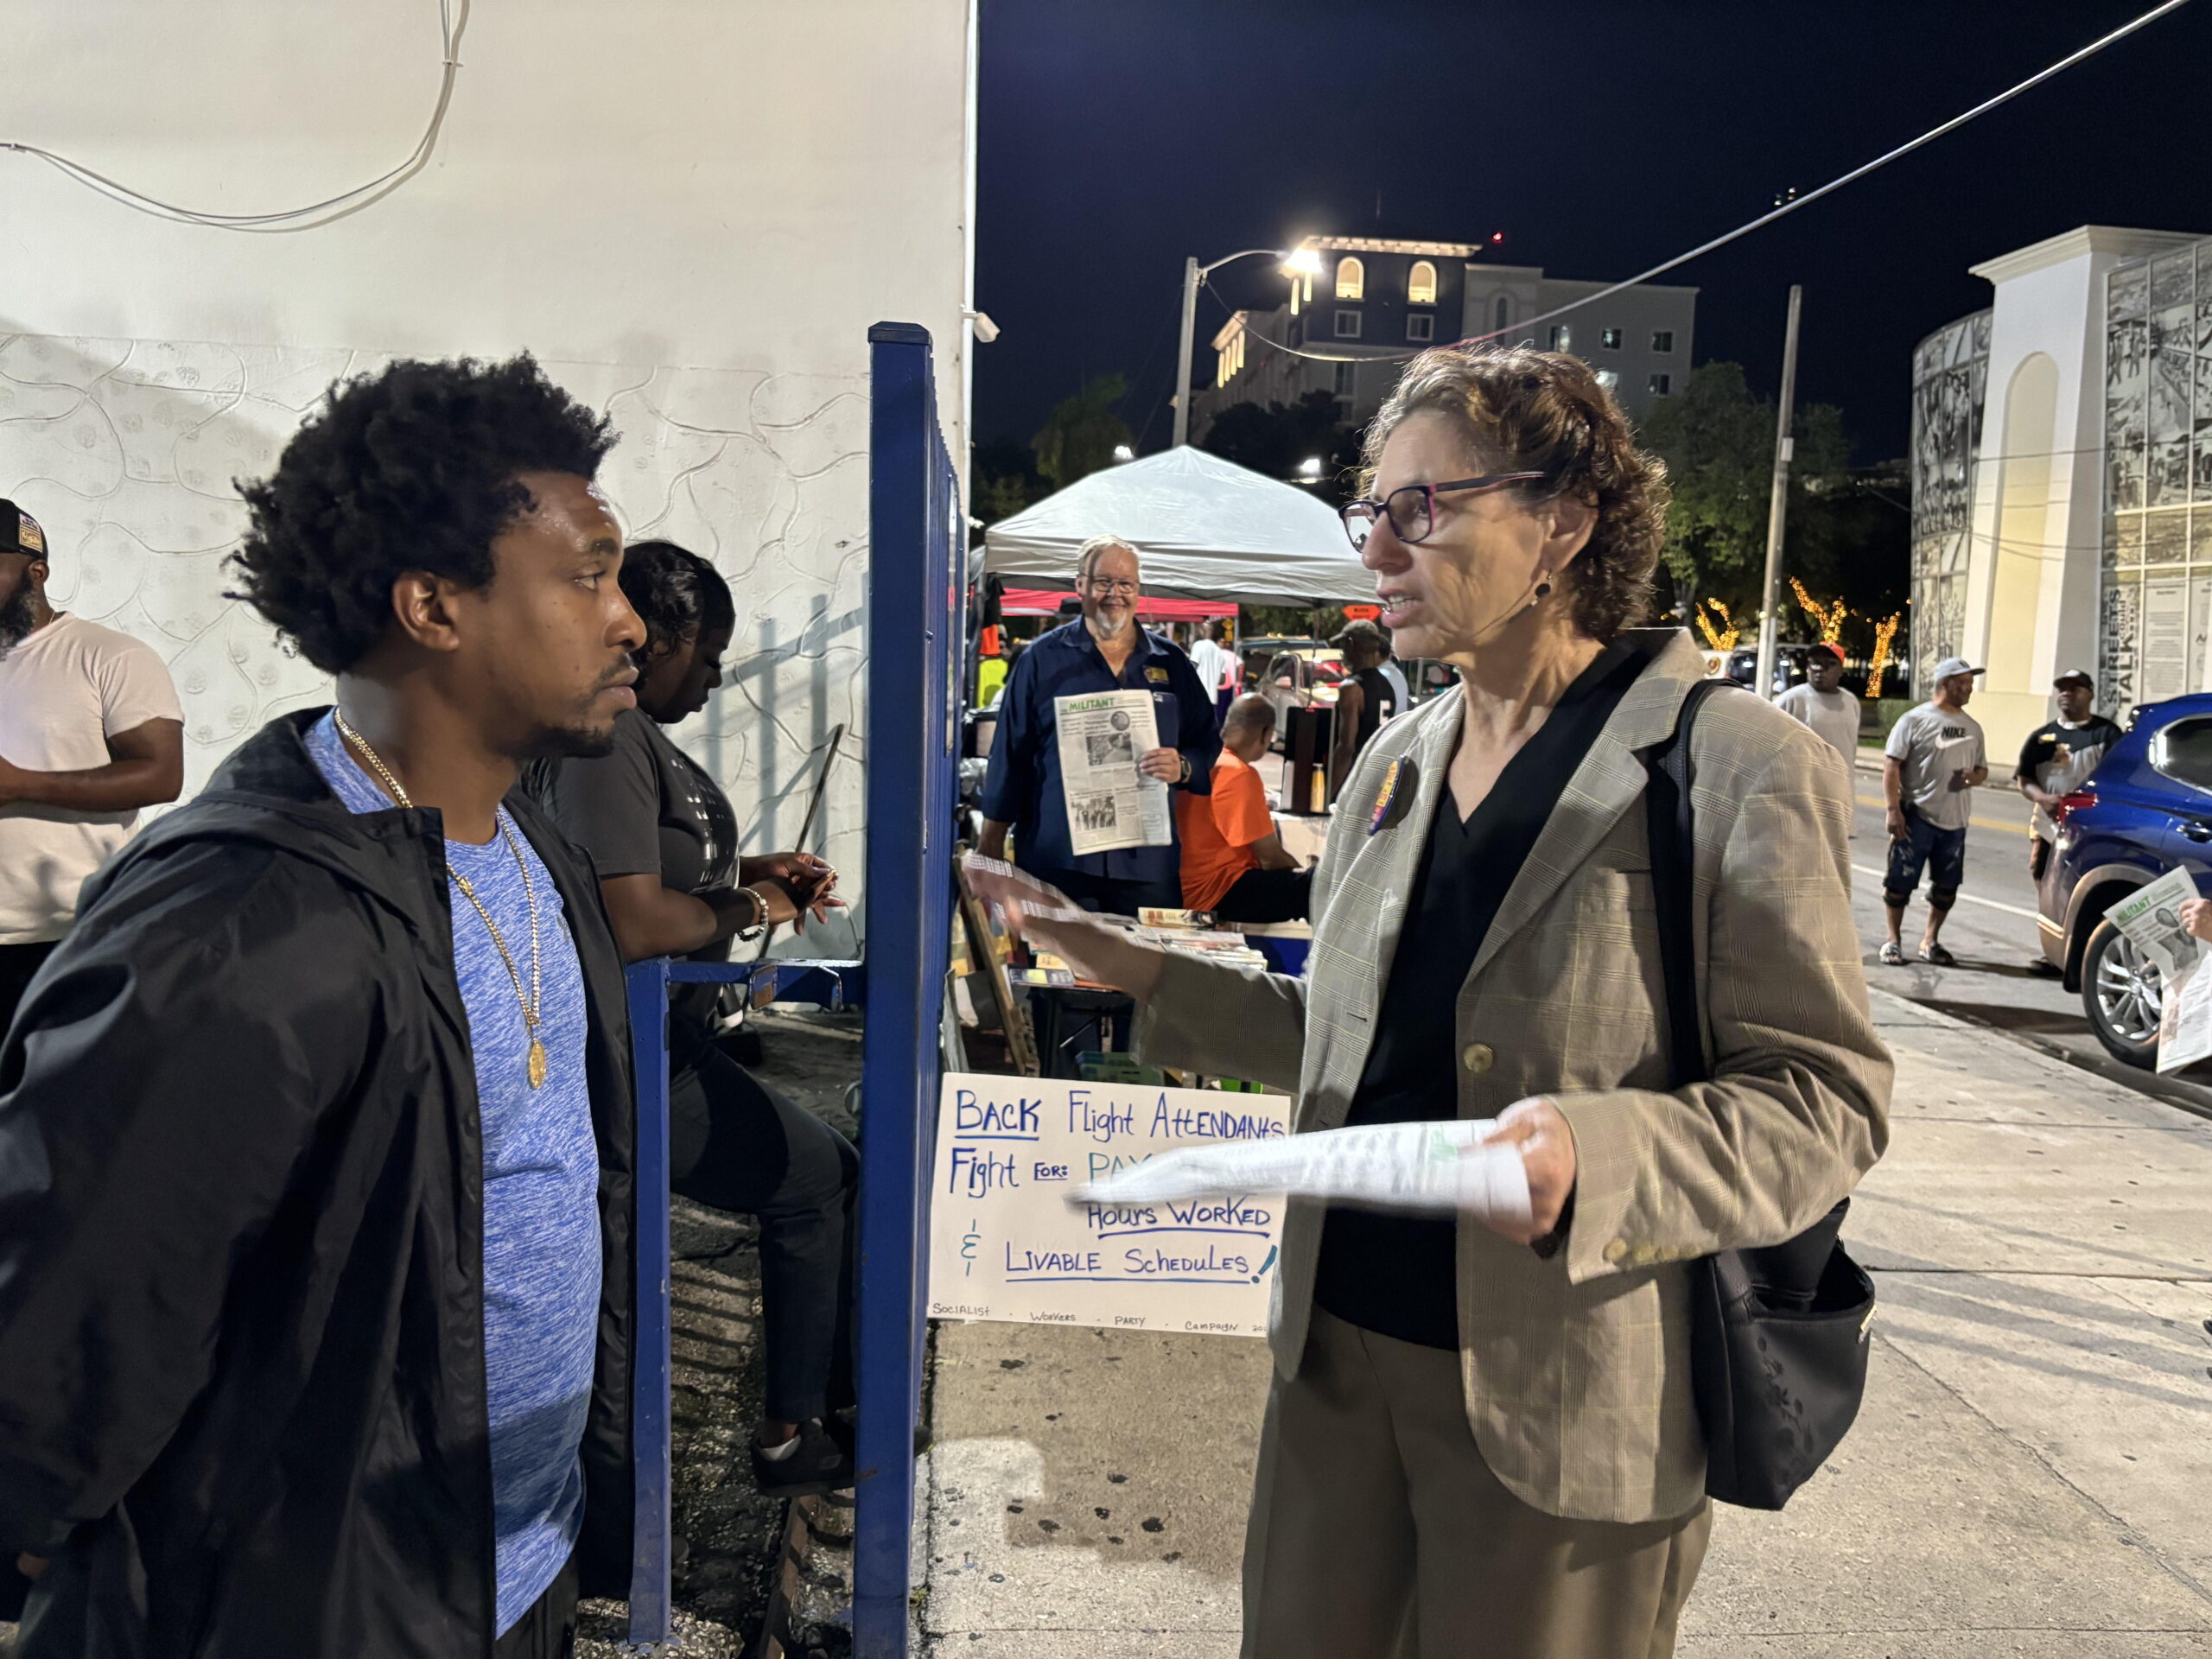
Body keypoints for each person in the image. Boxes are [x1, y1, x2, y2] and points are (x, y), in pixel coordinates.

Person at [976, 346, 1890, 1659]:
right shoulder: (1397, 765)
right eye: (1372, 513)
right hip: (1336, 1369)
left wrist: (1600, 1153)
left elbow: (1826, 1102)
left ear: (1563, 525)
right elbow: (1338, 1047)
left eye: (1425, 508)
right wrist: (1129, 968)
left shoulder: (1733, 766)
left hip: (1563, 1399)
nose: (1380, 552)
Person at [0, 355, 652, 1657]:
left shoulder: (536, 857)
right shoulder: (242, 928)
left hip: (515, 1569)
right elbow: (63, 1339)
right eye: (589, 574)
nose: (628, 617)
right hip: (309, 1607)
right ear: (433, 607)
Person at [531, 539, 859, 1495]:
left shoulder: (637, 735)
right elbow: (629, 918)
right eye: (706, 657)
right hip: (622, 1057)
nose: (714, 679)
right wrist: (757, 909)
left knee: (827, 1172)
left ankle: (815, 1407)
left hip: (659, 1042)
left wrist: (748, 874)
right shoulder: (608, 742)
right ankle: (791, 1434)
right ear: (658, 638)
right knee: (812, 1180)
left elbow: (660, 868)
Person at [0, 500, 184, 1032]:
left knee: (60, 1108)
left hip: (69, 936)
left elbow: (160, 775)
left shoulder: (108, 657)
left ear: (35, 572)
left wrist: (19, 786)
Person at [976, 535, 1222, 915]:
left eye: (1126, 584)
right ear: (1081, 585)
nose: (1115, 594)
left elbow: (1207, 740)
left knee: (1150, 972)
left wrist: (1184, 766)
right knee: (1055, 969)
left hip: (1146, 867)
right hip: (1059, 862)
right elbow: (1010, 754)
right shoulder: (1042, 660)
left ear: (1138, 589)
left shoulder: (1171, 662)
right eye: (1104, 582)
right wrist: (990, 845)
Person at [1881, 657, 1988, 968]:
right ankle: (1893, 941)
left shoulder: (1973, 727)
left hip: (1955, 822)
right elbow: (1892, 766)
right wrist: (1893, 810)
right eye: (1963, 682)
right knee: (1899, 884)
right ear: (1944, 684)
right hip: (1916, 817)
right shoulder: (1914, 720)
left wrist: (1973, 777)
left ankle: (1930, 940)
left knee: (1946, 888)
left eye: (1970, 682)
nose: (1969, 688)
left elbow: (1982, 770)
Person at [1178, 694, 1312, 924]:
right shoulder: (1239, 774)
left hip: (1187, 885)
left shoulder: (1202, 759)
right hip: (1216, 891)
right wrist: (1302, 874)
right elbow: (1269, 857)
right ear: (1266, 734)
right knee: (1316, 887)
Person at [2018, 667, 2122, 899]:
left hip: (2088, 823)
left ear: (2091, 694)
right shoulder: (2042, 737)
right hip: (2048, 821)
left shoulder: (2106, 734)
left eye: (2075, 688)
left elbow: (2118, 777)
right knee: (2041, 870)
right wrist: (2043, 799)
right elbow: (2025, 779)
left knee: (2083, 879)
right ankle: (2052, 917)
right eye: (2062, 689)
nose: (2067, 693)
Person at [1329, 619, 1401, 799]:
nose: (1343, 651)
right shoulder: (1387, 684)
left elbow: (1347, 747)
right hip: (1379, 777)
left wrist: (1330, 793)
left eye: (1344, 645)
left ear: (1351, 644)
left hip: (1355, 778)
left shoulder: (1351, 687)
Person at [1777, 643, 1861, 767]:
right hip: (1803, 784)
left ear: (1841, 670)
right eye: (1815, 663)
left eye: (1830, 664)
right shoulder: (1791, 700)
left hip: (1841, 784)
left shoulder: (1851, 701)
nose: (1820, 669)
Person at [1189, 617, 1239, 722]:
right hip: (1213, 698)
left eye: (1198, 630)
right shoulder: (1219, 651)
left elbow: (1192, 668)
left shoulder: (1198, 645)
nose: (1197, 632)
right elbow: (1222, 679)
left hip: (1197, 697)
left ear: (1203, 630)